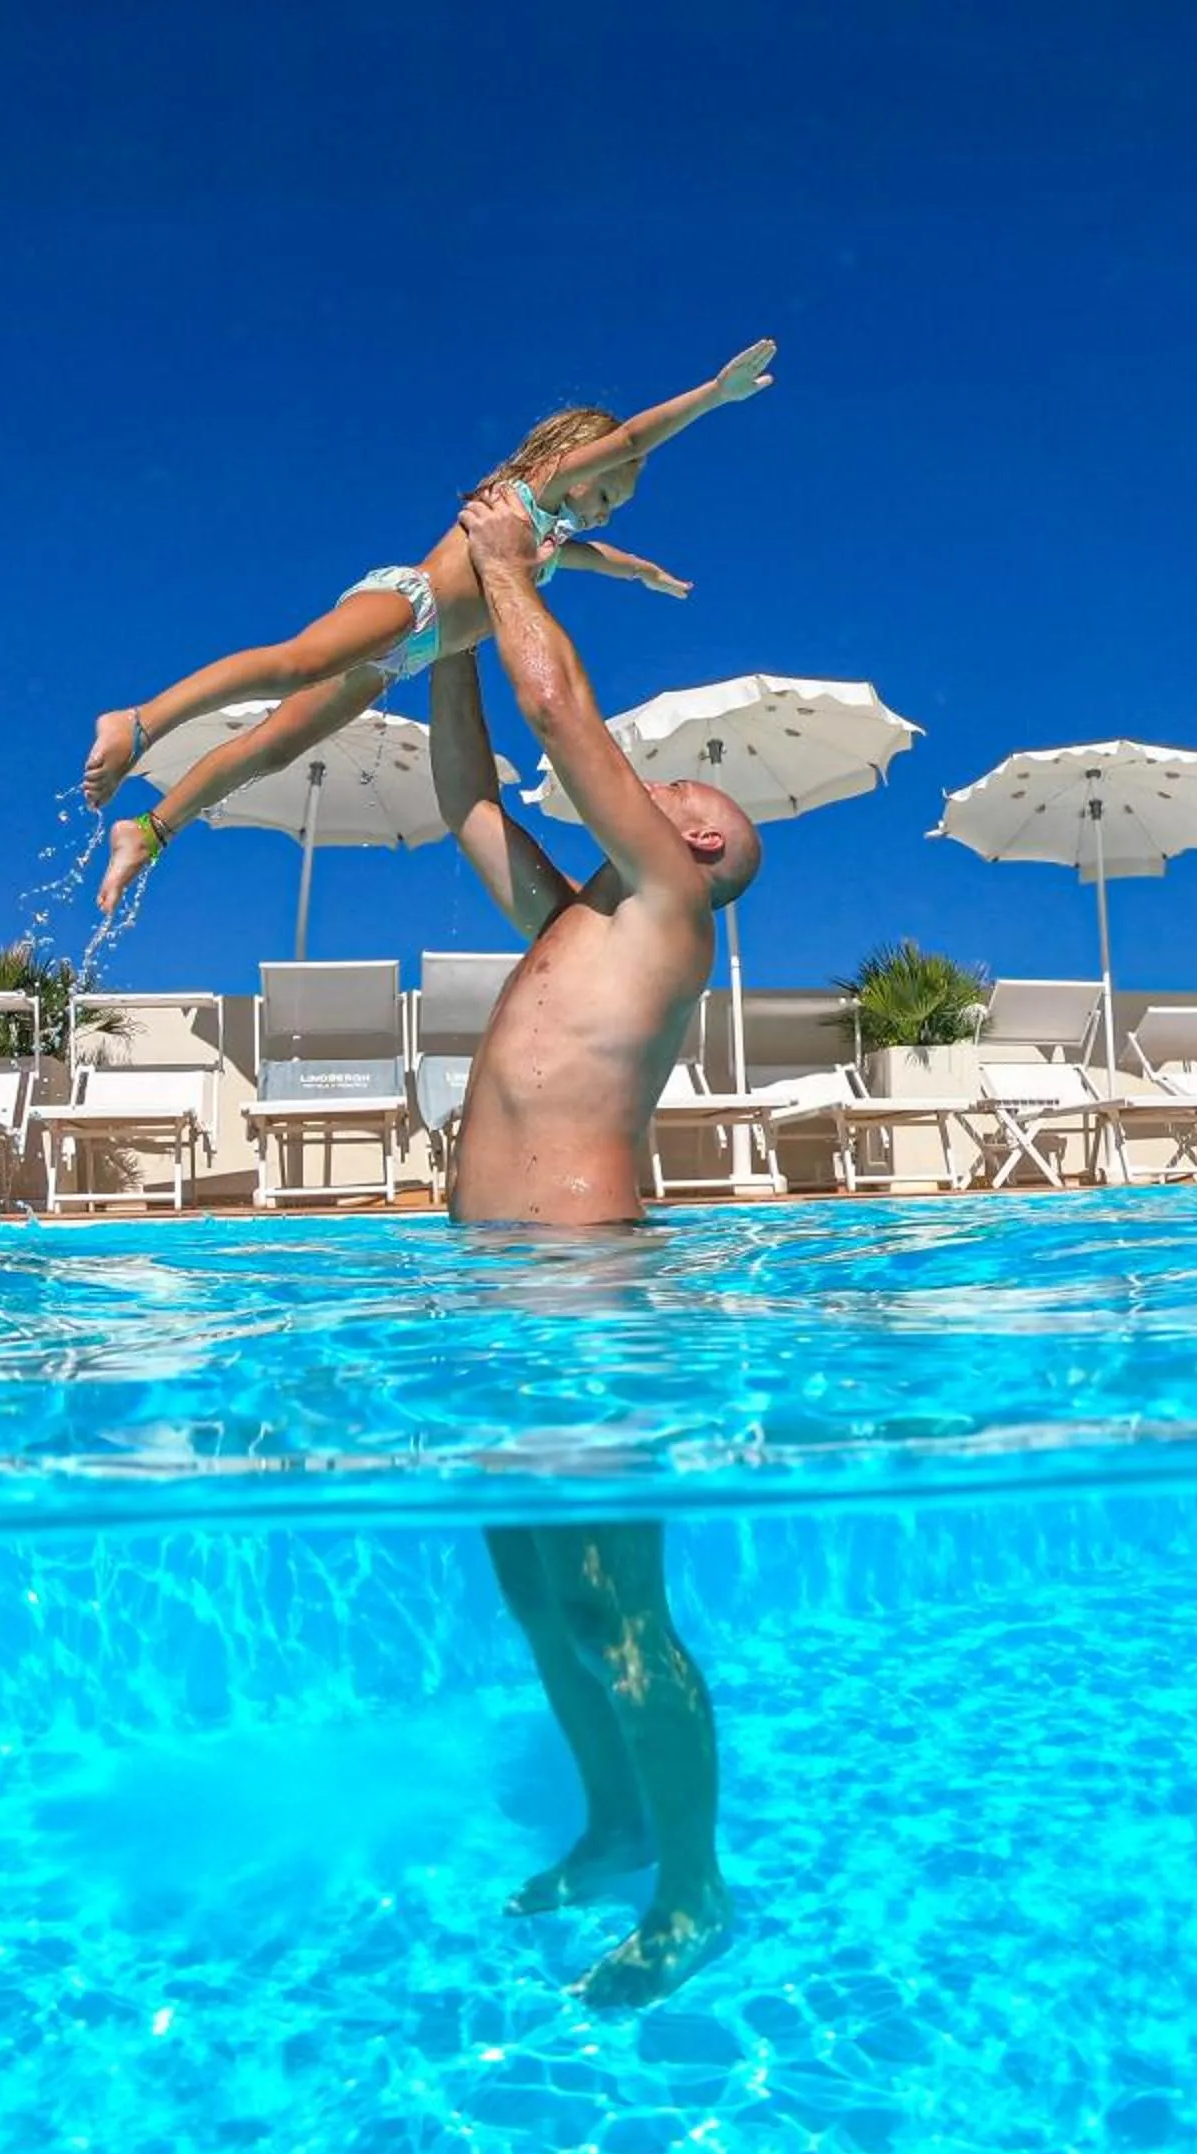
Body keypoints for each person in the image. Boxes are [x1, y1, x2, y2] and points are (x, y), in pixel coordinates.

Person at [421, 484, 763, 2008]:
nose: (664, 786)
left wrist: (503, 564)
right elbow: (474, 803)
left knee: (624, 1605)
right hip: (485, 1286)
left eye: (686, 791)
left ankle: (698, 1891)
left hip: (588, 1289)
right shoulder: (578, 917)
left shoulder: (674, 904)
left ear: (699, 842)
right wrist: (440, 645)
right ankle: (618, 1820)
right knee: (532, 1594)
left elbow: (561, 719)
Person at [87, 339, 778, 919]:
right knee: (295, 663)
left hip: (406, 657)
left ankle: (150, 830)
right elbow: (630, 437)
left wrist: (643, 573)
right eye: (603, 494)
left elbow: (598, 558)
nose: (602, 512)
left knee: (273, 746)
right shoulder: (533, 493)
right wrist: (714, 395)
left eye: (614, 507)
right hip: (409, 607)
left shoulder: (545, 541)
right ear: (576, 464)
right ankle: (140, 722)